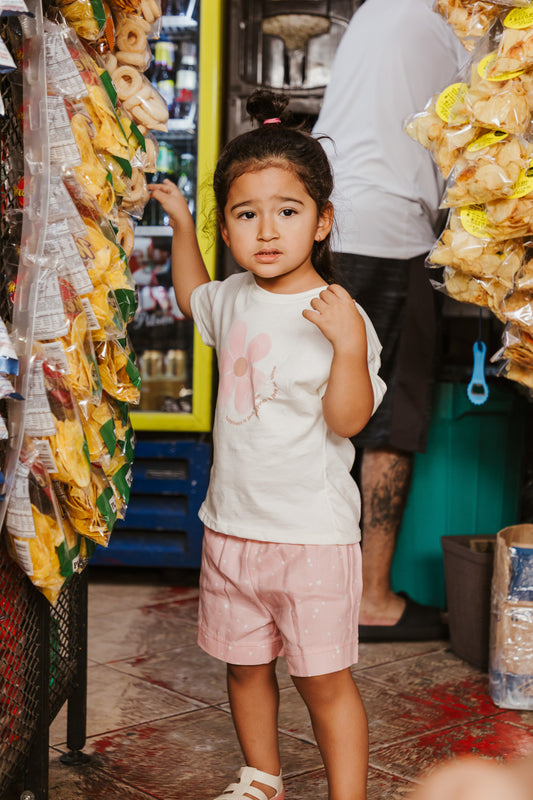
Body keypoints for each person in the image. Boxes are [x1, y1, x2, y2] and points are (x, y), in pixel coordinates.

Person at [148, 90, 386, 800]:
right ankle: (261, 779)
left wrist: (346, 348)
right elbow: (193, 297)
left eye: (287, 211)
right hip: (232, 527)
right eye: (246, 215)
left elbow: (348, 421)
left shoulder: (340, 314)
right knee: (244, 666)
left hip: (311, 537)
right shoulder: (233, 297)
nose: (267, 231)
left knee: (321, 678)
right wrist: (182, 222)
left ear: (321, 221)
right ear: (229, 228)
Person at [312, 0, 467, 641]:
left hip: (327, 220)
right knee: (389, 417)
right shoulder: (464, 23)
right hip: (388, 228)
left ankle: (313, 588)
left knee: (326, 406)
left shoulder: (380, 9)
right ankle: (371, 598)